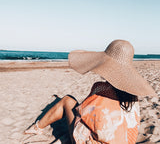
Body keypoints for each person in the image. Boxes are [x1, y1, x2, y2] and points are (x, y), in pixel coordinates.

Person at [24, 40, 156, 144]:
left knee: (67, 100)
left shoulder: (101, 89)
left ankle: (37, 128)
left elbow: (82, 114)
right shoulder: (132, 96)